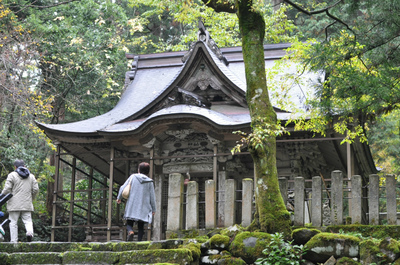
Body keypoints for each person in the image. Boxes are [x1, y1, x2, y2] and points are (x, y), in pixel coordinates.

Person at [1, 159, 39, 242]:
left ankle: (14, 242)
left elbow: (7, 189)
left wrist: (2, 196)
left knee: (13, 222)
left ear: (15, 167)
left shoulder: (12, 175)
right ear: (24, 166)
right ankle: (29, 233)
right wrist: (31, 198)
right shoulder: (31, 176)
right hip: (27, 203)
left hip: (14, 203)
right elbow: (35, 189)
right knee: (28, 220)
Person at [116, 162, 156, 241]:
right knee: (141, 226)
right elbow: (152, 196)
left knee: (129, 222)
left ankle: (130, 231)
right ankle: (139, 242)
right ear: (148, 171)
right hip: (143, 206)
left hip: (132, 204)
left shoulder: (133, 177)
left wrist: (119, 197)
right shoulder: (150, 182)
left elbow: (123, 187)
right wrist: (153, 209)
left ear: (139, 170)